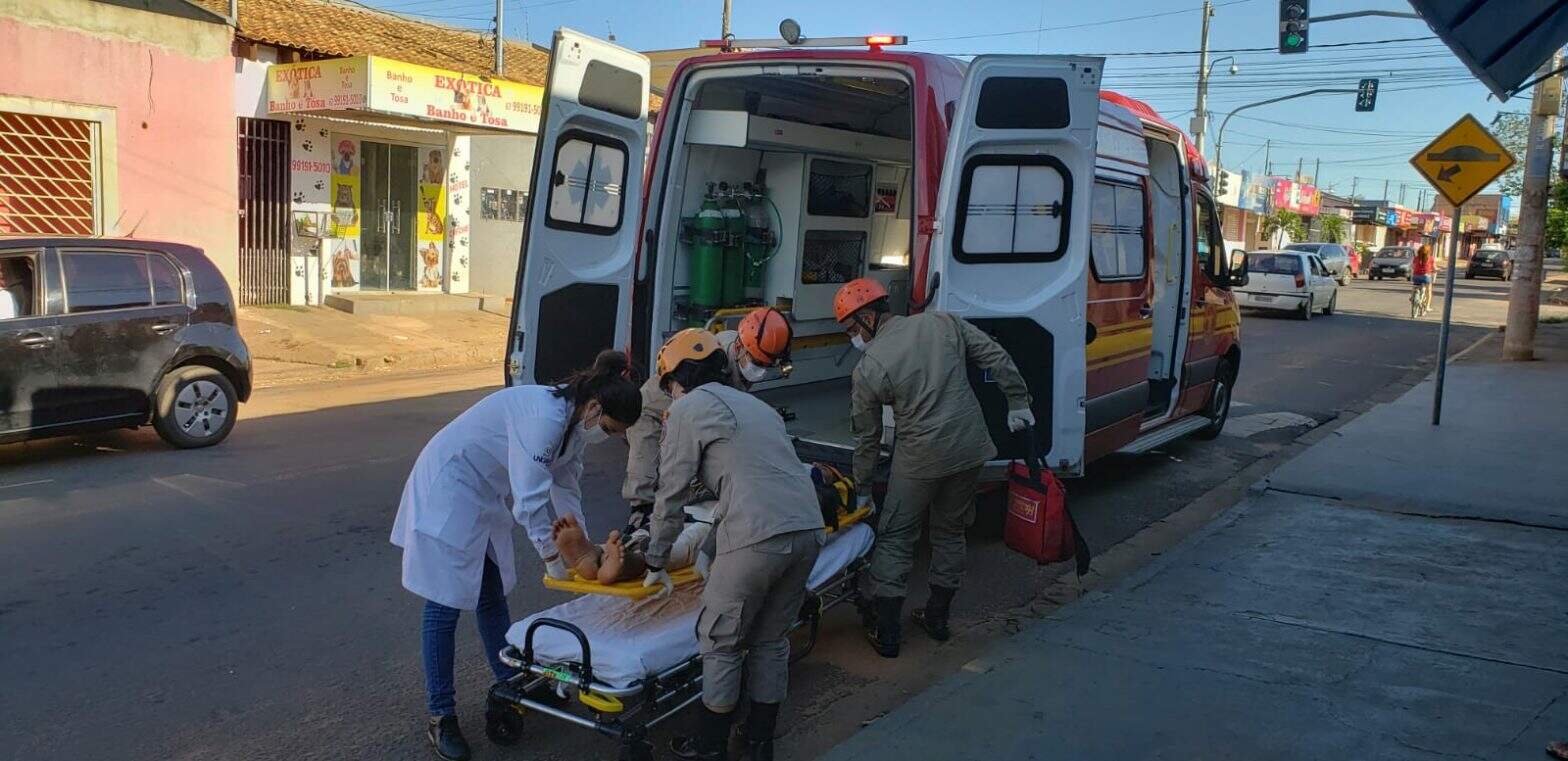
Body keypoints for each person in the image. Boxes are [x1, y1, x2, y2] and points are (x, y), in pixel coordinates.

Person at [390, 350, 641, 761]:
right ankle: (441, 716)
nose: (609, 437)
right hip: (448, 491)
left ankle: (512, 681)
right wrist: (554, 559)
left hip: (482, 495)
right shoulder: (543, 417)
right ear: (595, 407)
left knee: (490, 595)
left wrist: (585, 547)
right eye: (611, 429)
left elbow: (566, 489)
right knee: (444, 604)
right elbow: (529, 502)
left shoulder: (574, 426)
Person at [640, 328, 825, 761]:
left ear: (677, 379)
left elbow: (672, 492)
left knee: (720, 642)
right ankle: (760, 742)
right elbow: (748, 484)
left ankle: (710, 748)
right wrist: (708, 550)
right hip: (807, 529)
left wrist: (655, 558)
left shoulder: (689, 409)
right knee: (770, 639)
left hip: (757, 535)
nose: (671, 395)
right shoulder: (758, 408)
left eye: (670, 387)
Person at [834, 277, 1033, 658]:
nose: (851, 338)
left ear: (867, 318)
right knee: (950, 530)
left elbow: (867, 438)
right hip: (970, 448)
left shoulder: (869, 368)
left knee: (895, 537)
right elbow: (995, 356)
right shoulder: (942, 323)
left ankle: (888, 632)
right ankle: (938, 618)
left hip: (920, 458)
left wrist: (862, 489)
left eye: (850, 328)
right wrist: (1018, 401)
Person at [622, 307, 793, 533]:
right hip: (651, 411)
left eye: (765, 365)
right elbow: (695, 426)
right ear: (741, 347)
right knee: (649, 468)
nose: (759, 370)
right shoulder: (714, 362)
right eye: (757, 363)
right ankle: (641, 515)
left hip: (687, 406)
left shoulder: (742, 357)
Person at [1412, 244, 1435, 316]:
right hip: (1425, 277)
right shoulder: (1430, 258)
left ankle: (1413, 296)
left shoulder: (1416, 258)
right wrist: (1436, 270)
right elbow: (1434, 268)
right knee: (1429, 291)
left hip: (1415, 276)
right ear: (1428, 251)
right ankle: (1427, 307)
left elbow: (1413, 266)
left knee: (1415, 286)